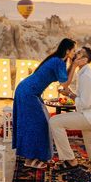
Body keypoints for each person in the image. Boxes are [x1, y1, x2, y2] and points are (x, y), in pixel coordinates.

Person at [12, 38, 77, 169]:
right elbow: (64, 83)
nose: (75, 53)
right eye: (74, 50)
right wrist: (74, 66)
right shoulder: (58, 61)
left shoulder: (59, 61)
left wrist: (71, 65)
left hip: (30, 91)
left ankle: (37, 156)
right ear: (68, 50)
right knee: (36, 124)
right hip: (27, 92)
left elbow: (64, 80)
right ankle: (29, 160)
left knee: (41, 122)